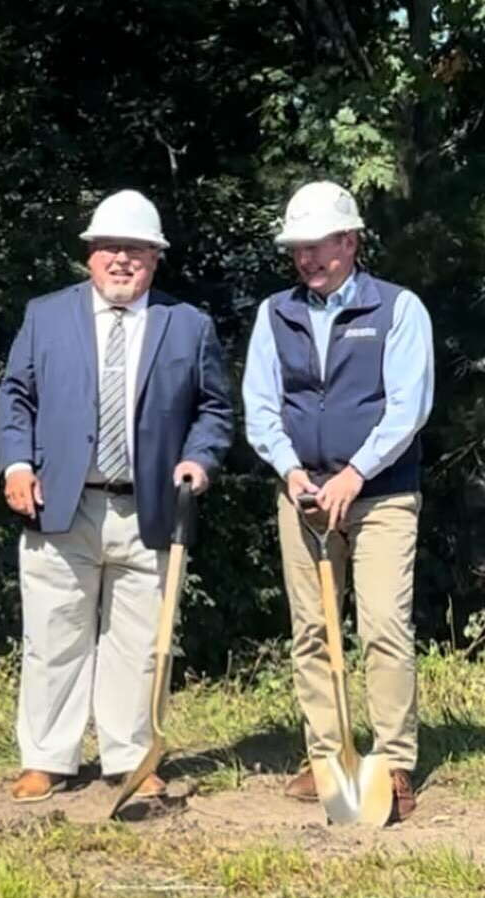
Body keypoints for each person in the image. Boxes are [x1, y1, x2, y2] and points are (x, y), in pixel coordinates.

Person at [0, 190, 232, 803]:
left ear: (156, 257)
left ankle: (132, 759)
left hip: (151, 506)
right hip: (61, 503)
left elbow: (214, 408)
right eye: (110, 248)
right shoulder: (46, 315)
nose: (121, 260)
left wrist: (199, 459)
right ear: (90, 255)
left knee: (140, 643)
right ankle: (48, 758)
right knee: (53, 634)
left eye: (136, 249)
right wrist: (17, 464)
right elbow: (15, 397)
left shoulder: (188, 324)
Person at [242, 181, 433, 823]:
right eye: (298, 249)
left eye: (319, 246)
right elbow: (261, 406)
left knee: (382, 625)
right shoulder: (275, 314)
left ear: (350, 241)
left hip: (381, 494)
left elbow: (409, 407)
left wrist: (355, 473)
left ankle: (394, 762)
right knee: (313, 632)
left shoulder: (398, 310)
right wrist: (292, 473)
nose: (307, 259)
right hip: (302, 495)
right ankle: (327, 758)